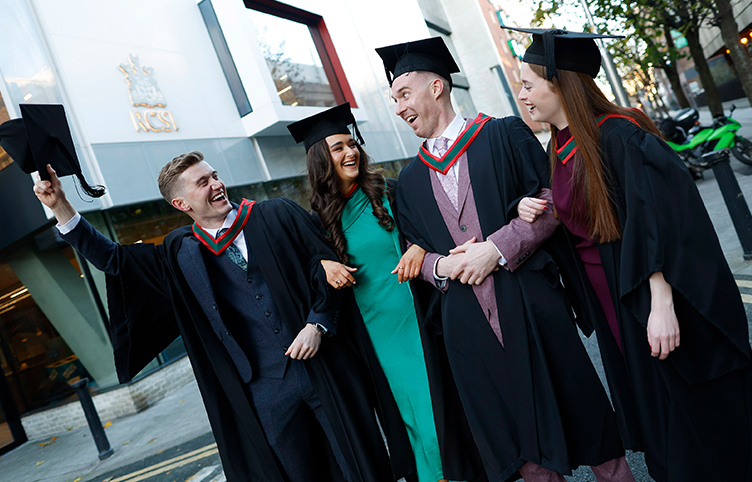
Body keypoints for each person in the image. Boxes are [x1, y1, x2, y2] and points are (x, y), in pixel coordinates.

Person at [30, 148, 416, 480]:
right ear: (181, 204)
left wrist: (318, 323)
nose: (216, 184)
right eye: (202, 183)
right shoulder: (180, 252)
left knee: (358, 465)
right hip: (262, 388)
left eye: (213, 175)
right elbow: (114, 260)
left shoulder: (275, 215)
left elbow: (326, 266)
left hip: (322, 369)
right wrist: (61, 207)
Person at [375, 36, 634, 482]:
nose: (398, 108)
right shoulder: (411, 179)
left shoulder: (502, 134)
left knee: (589, 423)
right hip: (468, 327)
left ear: (436, 87)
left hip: (532, 305)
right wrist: (444, 266)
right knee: (520, 450)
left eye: (403, 94)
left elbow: (554, 199)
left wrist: (496, 249)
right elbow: (414, 249)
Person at [511, 27, 752, 482]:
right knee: (656, 413)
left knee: (689, 415)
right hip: (610, 304)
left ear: (560, 82)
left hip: (644, 292)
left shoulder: (620, 136)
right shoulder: (557, 146)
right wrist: (532, 205)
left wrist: (661, 304)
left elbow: (662, 220)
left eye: (528, 83)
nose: (522, 94)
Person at [288, 103, 485, 482]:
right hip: (374, 335)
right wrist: (322, 264)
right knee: (410, 420)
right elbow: (306, 272)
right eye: (338, 148)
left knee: (438, 413)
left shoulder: (390, 192)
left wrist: (418, 247)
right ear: (320, 161)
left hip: (419, 320)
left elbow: (431, 231)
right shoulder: (317, 222)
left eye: (352, 144)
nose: (350, 153)